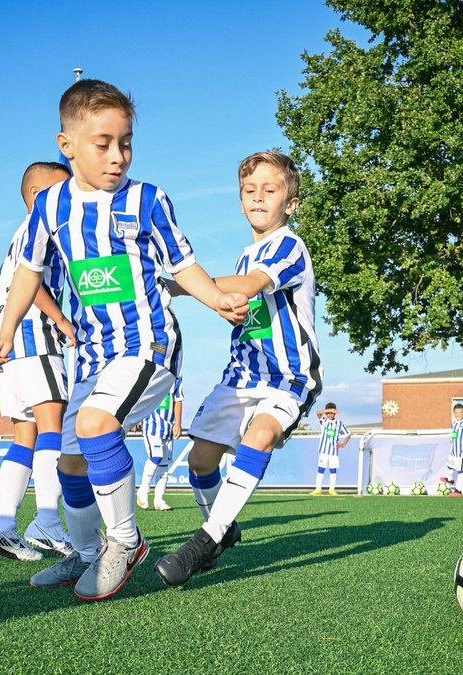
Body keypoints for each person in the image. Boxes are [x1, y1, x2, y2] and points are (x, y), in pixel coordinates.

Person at [0, 79, 248, 602]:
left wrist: (216, 299)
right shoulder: (51, 207)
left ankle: (125, 542)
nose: (117, 156)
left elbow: (184, 265)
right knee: (69, 460)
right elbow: (27, 273)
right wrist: (9, 327)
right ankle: (85, 554)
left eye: (125, 142)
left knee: (93, 424)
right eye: (102, 143)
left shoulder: (148, 200)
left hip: (147, 344)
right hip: (92, 354)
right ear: (68, 146)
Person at [155, 150, 321, 587]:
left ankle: (205, 541)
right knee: (200, 461)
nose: (259, 198)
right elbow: (243, 301)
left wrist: (175, 285)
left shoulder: (290, 246)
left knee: (260, 435)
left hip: (287, 377)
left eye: (271, 190)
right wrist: (226, 309)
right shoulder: (245, 256)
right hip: (242, 376)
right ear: (240, 199)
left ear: (292, 203)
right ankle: (224, 527)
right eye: (250, 191)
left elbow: (250, 287)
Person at [0, 162, 77, 561]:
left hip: (7, 342)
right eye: (63, 191)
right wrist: (62, 320)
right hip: (36, 339)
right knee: (53, 426)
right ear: (38, 196)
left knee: (26, 434)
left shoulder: (18, 234)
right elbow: (30, 279)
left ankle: (2, 527)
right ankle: (48, 523)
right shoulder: (43, 230)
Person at [136, 377, 184, 511]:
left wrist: (178, 424)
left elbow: (178, 399)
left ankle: (159, 500)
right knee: (156, 456)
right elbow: (139, 398)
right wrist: (135, 419)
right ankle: (143, 490)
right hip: (151, 426)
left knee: (164, 464)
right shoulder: (152, 374)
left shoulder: (176, 377)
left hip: (168, 427)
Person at [309, 402, 351, 496]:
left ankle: (332, 489)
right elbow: (318, 413)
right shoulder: (324, 421)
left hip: (333, 452)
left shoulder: (339, 423)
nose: (330, 414)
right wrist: (328, 410)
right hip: (323, 451)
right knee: (321, 469)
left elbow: (348, 434)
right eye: (328, 413)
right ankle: (318, 489)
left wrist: (343, 445)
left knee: (333, 470)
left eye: (332, 412)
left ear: (335, 413)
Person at [442, 403, 463, 496]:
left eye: (460, 412)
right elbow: (454, 436)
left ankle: (458, 490)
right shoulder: (454, 424)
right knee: (450, 468)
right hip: (453, 452)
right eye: (456, 412)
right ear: (454, 413)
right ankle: (450, 481)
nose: (458, 414)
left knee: (461, 470)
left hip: (461, 452)